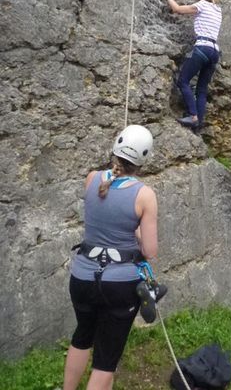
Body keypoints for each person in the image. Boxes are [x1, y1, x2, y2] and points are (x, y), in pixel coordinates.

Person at [63, 125, 160, 390]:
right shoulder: (145, 195)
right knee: (105, 360)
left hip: (82, 276)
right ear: (144, 158)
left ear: (116, 146)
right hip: (119, 285)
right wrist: (136, 230)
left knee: (82, 336)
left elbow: (103, 213)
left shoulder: (92, 178)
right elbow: (150, 251)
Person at [159, 0, 222, 130]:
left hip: (203, 48)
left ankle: (193, 116)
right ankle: (198, 123)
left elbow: (177, 9)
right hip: (214, 52)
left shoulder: (201, 5)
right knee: (201, 90)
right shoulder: (218, 9)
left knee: (183, 81)